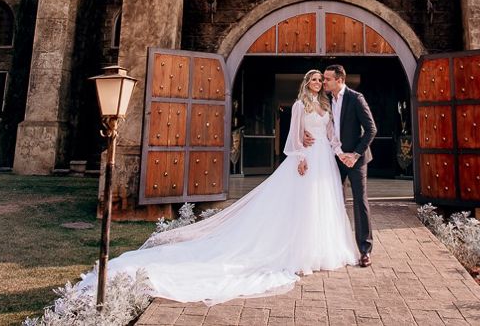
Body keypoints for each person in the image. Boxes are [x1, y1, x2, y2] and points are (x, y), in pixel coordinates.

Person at [73, 69, 358, 305]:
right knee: (304, 205)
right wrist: (300, 157)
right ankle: (300, 251)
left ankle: (323, 250)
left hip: (325, 160)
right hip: (307, 160)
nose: (318, 83)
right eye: (314, 79)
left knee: (325, 203)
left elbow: (332, 135)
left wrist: (341, 152)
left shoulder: (325, 105)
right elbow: (293, 137)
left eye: (321, 80)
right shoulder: (299, 106)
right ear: (306, 83)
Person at [306, 64, 377, 266]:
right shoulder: (326, 99)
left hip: (356, 159)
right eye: (323, 79)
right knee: (333, 200)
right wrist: (304, 133)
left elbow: (371, 129)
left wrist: (354, 155)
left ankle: (365, 250)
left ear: (340, 80)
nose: (324, 82)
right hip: (334, 158)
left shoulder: (356, 98)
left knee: (359, 201)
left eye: (327, 79)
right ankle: (334, 246)